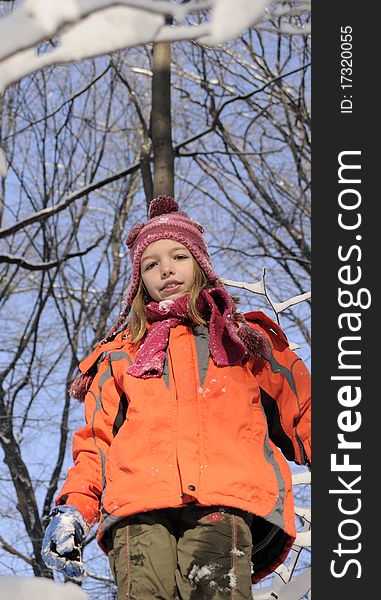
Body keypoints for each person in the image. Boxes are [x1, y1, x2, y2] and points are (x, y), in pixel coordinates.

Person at [41, 196, 311, 599]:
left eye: (178, 256)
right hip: (138, 506)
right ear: (140, 281)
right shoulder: (121, 355)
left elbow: (304, 409)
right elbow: (97, 443)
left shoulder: (245, 342)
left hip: (225, 498)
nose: (166, 268)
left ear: (200, 263)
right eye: (151, 264)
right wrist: (75, 509)